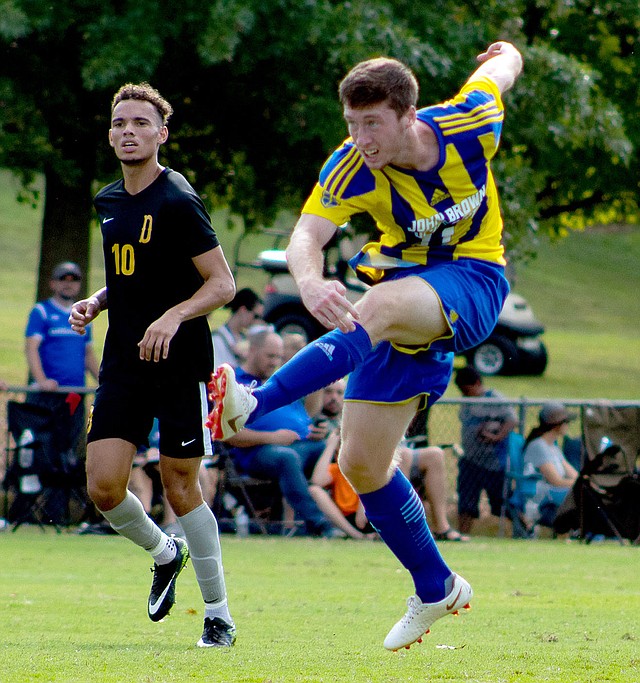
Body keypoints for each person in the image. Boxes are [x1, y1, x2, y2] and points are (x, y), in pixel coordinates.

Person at [207, 42, 523, 650]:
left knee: (373, 307)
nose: (361, 138)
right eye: (351, 124)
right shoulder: (351, 164)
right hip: (401, 298)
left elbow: (500, 71)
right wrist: (307, 278)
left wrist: (507, 52)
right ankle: (437, 587)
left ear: (409, 115)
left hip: (474, 279)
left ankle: (255, 402)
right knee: (361, 464)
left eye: (372, 123)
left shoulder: (470, 122)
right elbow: (307, 233)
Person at [69, 82, 236, 648]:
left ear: (162, 134)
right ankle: (166, 554)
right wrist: (98, 300)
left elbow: (222, 284)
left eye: (140, 123)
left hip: (179, 361)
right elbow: (131, 275)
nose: (128, 131)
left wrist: (173, 317)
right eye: (119, 123)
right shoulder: (109, 201)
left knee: (179, 484)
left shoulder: (178, 200)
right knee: (104, 487)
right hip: (122, 360)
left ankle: (219, 615)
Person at [225, 328, 339, 536]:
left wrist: (313, 430)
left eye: (278, 356)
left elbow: (306, 414)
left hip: (301, 444)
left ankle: (359, 519)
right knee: (287, 458)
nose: (275, 361)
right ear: (252, 351)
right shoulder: (234, 382)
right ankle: (319, 524)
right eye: (270, 356)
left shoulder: (279, 381)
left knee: (340, 449)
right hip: (257, 453)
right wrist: (274, 437)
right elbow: (226, 434)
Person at [25, 261, 100, 453]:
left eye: (74, 280)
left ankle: (66, 481)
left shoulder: (84, 315)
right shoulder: (42, 312)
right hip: (49, 393)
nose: (69, 284)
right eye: (63, 279)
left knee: (71, 443)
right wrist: (41, 381)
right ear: (53, 283)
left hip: (74, 393)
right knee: (45, 443)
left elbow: (87, 354)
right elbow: (31, 348)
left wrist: (103, 381)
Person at [454, 366, 517, 535]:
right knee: (466, 503)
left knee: (502, 503)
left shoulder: (494, 398)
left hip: (493, 462)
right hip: (470, 461)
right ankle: (462, 535)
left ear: (477, 383)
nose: (465, 394)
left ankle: (524, 529)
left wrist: (496, 437)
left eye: (467, 390)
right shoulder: (466, 403)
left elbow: (512, 420)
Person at [397, 443, 470, 542]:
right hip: (378, 455)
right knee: (402, 455)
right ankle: (401, 527)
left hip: (406, 451)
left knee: (435, 454)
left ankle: (442, 529)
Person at [522, 402, 579, 526]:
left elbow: (572, 473)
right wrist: (581, 484)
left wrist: (586, 482)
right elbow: (556, 481)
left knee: (587, 493)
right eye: (565, 422)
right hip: (540, 497)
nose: (567, 425)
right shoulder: (538, 446)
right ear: (556, 425)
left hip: (553, 493)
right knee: (581, 495)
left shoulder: (553, 446)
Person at [211, 287, 263, 368]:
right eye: (255, 316)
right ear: (243, 310)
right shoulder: (217, 338)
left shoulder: (246, 339)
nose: (257, 322)